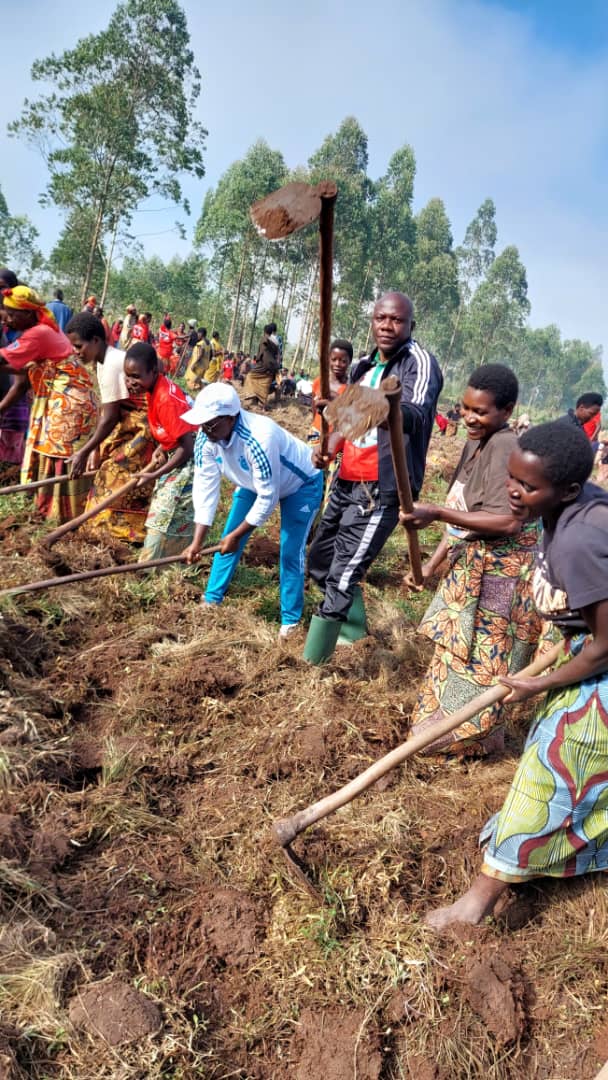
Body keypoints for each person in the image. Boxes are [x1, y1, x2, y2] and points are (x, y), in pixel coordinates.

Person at [425, 420, 608, 931]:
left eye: (527, 486)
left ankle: (476, 904)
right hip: (588, 649)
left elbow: (607, 644)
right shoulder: (566, 507)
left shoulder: (579, 540)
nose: (513, 490)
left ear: (566, 490)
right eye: (512, 477)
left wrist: (541, 683)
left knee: (549, 773)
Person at [401, 365, 543, 756]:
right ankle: (434, 736)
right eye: (465, 408)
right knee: (454, 654)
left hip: (503, 579)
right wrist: (430, 566)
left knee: (485, 662)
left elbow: (509, 521)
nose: (468, 417)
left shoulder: (505, 446)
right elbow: (460, 515)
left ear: (507, 411)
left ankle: (469, 743)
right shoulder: (475, 442)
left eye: (480, 411)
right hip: (475, 567)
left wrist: (436, 513)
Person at [303, 292, 443, 664]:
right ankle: (353, 633)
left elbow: (413, 415)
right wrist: (330, 444)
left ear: (410, 325)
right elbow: (350, 422)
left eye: (396, 320)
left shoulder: (419, 363)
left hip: (382, 487)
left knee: (343, 573)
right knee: (320, 559)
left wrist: (371, 402)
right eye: (381, 318)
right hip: (347, 478)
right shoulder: (363, 365)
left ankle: (314, 663)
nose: (387, 325)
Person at [181, 383, 323, 638]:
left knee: (290, 551)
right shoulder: (207, 437)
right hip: (253, 483)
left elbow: (268, 497)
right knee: (227, 537)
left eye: (210, 423)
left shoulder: (260, 438)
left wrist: (238, 535)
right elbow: (205, 488)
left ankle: (290, 621)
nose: (204, 429)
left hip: (301, 484)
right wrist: (197, 542)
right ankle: (211, 600)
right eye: (202, 423)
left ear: (231, 418)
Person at [0, 286, 97, 520]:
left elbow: (4, 360)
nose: (7, 319)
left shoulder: (38, 333)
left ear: (28, 313)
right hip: (68, 399)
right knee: (51, 451)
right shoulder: (42, 330)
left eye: (12, 314)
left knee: (58, 454)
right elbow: (21, 372)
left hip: (68, 402)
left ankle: (60, 515)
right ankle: (49, 511)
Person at [66, 313, 155, 542]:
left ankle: (120, 531)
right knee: (106, 461)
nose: (76, 352)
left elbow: (110, 417)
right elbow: (109, 412)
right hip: (132, 422)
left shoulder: (112, 363)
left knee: (113, 470)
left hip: (146, 425)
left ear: (96, 340)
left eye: (79, 346)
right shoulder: (102, 361)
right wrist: (95, 448)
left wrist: (85, 450)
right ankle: (107, 525)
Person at [123, 343, 197, 560]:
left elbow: (187, 446)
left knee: (168, 512)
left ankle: (153, 566)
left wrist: (155, 474)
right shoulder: (153, 388)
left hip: (191, 460)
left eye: (136, 376)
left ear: (153, 372)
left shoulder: (165, 399)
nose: (130, 382)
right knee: (165, 511)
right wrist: (161, 447)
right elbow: (171, 429)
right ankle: (161, 563)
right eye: (127, 376)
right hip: (178, 453)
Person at [308, 339, 352, 445]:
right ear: (328, 359)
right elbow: (314, 408)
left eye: (343, 361)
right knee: (312, 455)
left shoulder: (351, 389)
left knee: (332, 457)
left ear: (349, 362)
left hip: (337, 438)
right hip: (316, 432)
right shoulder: (319, 382)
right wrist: (315, 424)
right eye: (334, 359)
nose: (337, 364)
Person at [184, 327, 212, 392]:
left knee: (191, 382)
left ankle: (195, 392)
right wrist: (208, 363)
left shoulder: (201, 343)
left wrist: (194, 364)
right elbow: (211, 354)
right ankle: (204, 391)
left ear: (201, 334)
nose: (197, 336)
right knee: (198, 381)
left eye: (198, 334)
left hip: (198, 365)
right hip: (204, 366)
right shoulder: (209, 343)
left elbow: (200, 355)